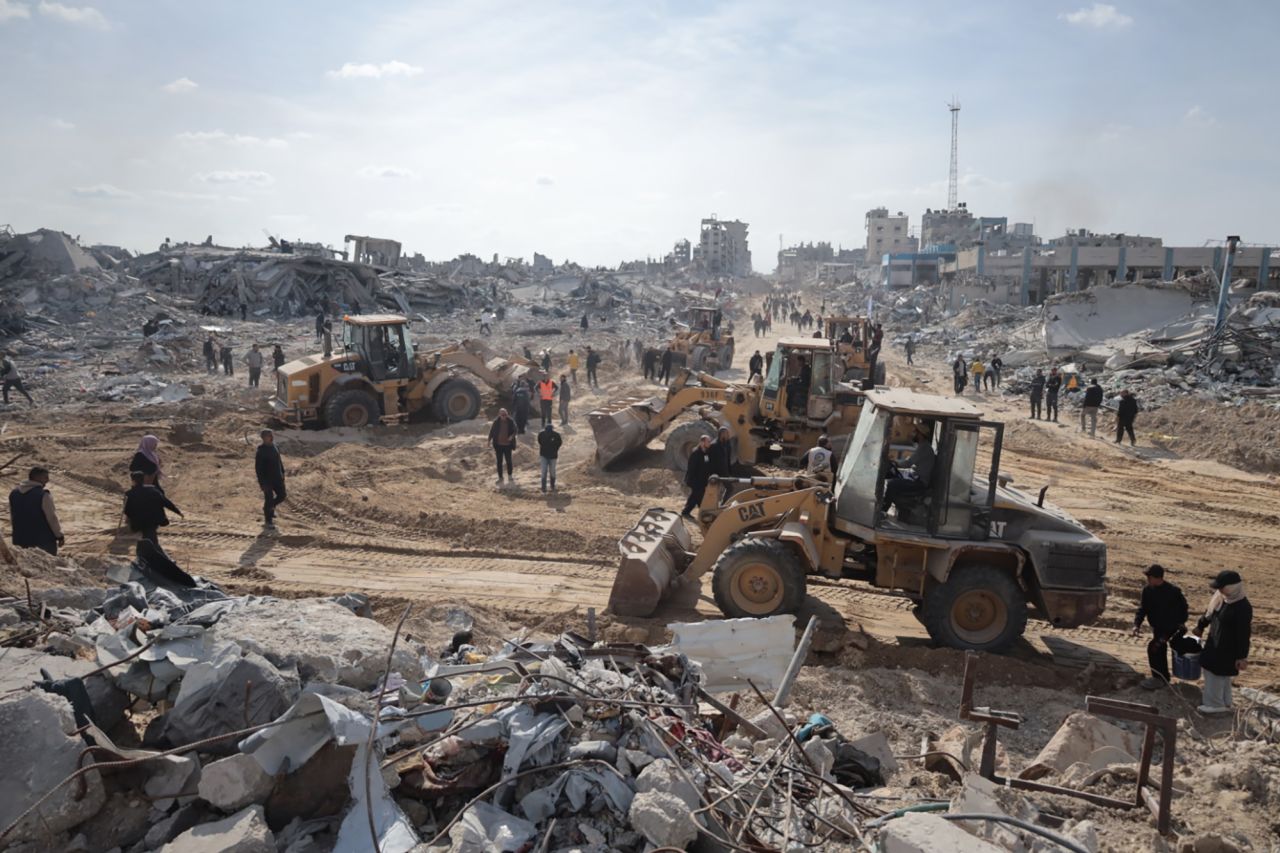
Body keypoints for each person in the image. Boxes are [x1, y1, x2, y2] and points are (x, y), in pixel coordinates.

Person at [1194, 570, 1252, 714]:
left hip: (1228, 649)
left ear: (1233, 587)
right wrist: (1200, 626)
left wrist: (1241, 657)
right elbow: (1210, 613)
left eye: (1222, 587)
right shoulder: (1222, 598)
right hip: (1214, 643)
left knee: (1216, 674)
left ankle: (1214, 705)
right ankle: (1225, 703)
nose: (1219, 590)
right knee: (1220, 675)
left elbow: (1244, 634)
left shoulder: (1242, 607)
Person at [1131, 564, 1189, 689]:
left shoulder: (1173, 591)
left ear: (1158, 578)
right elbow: (1143, 608)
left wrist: (1181, 622)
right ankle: (1163, 678)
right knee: (1160, 649)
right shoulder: (1147, 590)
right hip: (1157, 628)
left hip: (1170, 628)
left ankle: (1158, 678)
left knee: (1154, 648)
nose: (1148, 580)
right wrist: (1137, 624)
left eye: (1149, 577)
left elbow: (1184, 609)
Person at [882, 422, 935, 518]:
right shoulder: (922, 447)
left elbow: (908, 463)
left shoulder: (925, 448)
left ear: (920, 434)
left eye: (915, 432)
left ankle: (883, 511)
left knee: (891, 484)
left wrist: (895, 463)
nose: (913, 433)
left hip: (919, 482)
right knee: (894, 477)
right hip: (914, 477)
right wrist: (894, 463)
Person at [9, 467, 64, 555]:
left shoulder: (14, 493)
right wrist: (59, 536)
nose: (48, 480)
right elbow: (52, 518)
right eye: (45, 477)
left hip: (19, 541)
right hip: (43, 542)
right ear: (37, 478)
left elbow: (13, 517)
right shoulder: (43, 495)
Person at [124, 470, 183, 547]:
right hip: (154, 520)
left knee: (148, 539)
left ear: (133, 481)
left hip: (140, 522)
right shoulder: (153, 490)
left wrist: (131, 519)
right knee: (151, 538)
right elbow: (165, 502)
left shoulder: (129, 494)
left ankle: (152, 552)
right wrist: (178, 512)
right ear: (143, 480)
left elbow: (127, 510)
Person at [255, 429, 287, 528]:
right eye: (265, 437)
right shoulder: (261, 451)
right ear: (263, 438)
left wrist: (282, 473)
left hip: (277, 478)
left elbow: (279, 462)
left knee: (282, 495)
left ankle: (269, 508)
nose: (267, 438)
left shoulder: (275, 447)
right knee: (268, 499)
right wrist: (262, 483)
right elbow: (258, 469)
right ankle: (268, 521)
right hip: (267, 480)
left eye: (269, 436)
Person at [681, 434, 715, 520]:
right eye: (708, 442)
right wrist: (691, 480)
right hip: (695, 480)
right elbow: (691, 468)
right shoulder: (696, 453)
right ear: (702, 442)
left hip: (703, 480)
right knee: (698, 497)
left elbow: (707, 466)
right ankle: (691, 512)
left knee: (695, 496)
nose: (710, 443)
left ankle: (687, 511)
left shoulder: (706, 453)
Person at [488, 408, 517, 484]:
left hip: (508, 445)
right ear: (499, 415)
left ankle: (510, 475)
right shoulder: (496, 422)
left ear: (507, 414)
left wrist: (512, 436)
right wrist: (489, 440)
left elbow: (515, 430)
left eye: (505, 414)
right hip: (498, 445)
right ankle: (500, 477)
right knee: (499, 462)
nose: (504, 416)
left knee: (508, 461)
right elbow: (492, 431)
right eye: (502, 415)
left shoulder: (510, 421)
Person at [537, 422, 562, 493]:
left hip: (553, 456)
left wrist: (555, 449)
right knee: (544, 471)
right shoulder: (541, 434)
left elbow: (559, 443)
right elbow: (539, 441)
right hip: (544, 455)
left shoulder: (556, 435)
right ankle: (543, 487)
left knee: (552, 471)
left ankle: (552, 486)